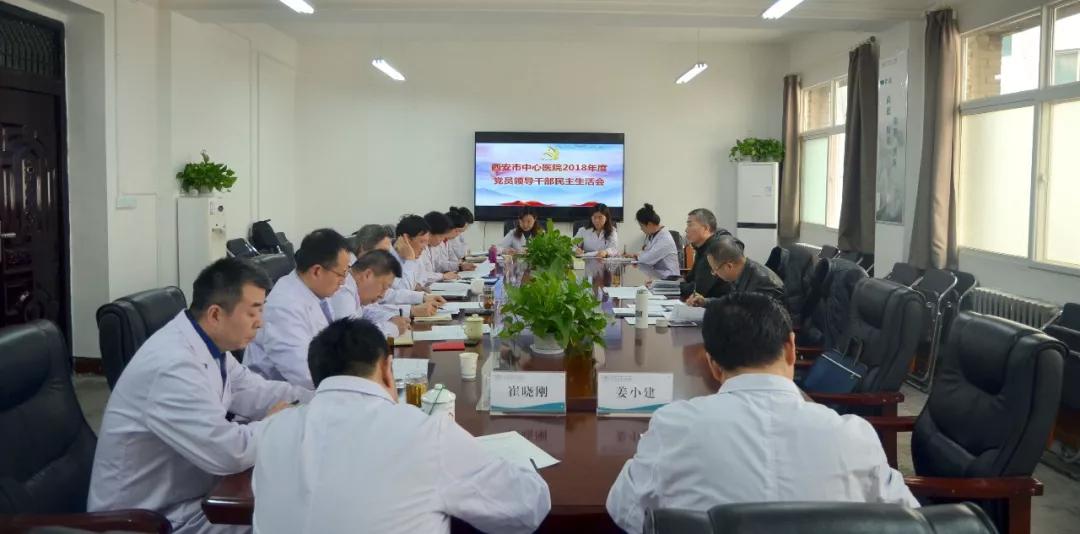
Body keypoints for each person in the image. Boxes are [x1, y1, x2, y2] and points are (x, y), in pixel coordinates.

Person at [606, 293, 918, 533]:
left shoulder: (674, 427)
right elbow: (910, 522)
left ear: (713, 364)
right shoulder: (854, 437)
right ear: (791, 348)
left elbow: (624, 509)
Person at [252, 318, 552, 533]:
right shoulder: (424, 433)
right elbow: (528, 506)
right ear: (387, 368)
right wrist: (519, 462)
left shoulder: (271, 432)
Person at [88, 258, 312, 534]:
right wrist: (276, 422)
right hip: (147, 520)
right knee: (292, 518)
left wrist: (320, 397)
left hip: (191, 493)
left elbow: (257, 390)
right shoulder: (172, 366)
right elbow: (229, 453)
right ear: (216, 314)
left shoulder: (209, 346)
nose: (260, 323)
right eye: (253, 312)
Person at [244, 228, 351, 389]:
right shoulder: (283, 307)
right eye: (341, 274)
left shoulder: (316, 292)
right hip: (277, 396)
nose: (343, 282)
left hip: (312, 387)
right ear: (317, 271)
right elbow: (305, 374)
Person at [352, 224, 444, 318]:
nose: (385, 257)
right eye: (382, 253)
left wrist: (422, 297)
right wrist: (410, 259)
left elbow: (388, 294)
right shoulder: (349, 273)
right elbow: (367, 310)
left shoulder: (375, 266)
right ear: (363, 248)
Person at [329, 250, 409, 337]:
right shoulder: (343, 292)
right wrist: (392, 328)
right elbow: (354, 338)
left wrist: (390, 318)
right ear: (368, 275)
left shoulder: (354, 289)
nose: (382, 295)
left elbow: (365, 312)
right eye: (384, 287)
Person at [686, 235, 784, 307]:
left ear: (729, 266)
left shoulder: (763, 284)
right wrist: (705, 302)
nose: (714, 274)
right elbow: (731, 301)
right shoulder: (742, 272)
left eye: (715, 269)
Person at [678, 208, 731, 300]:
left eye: (690, 225)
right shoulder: (701, 248)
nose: (686, 230)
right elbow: (689, 279)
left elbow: (698, 290)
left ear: (706, 228)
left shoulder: (714, 250)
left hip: (716, 305)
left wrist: (673, 287)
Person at [626, 203, 680, 279]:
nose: (641, 229)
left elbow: (648, 258)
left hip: (669, 278)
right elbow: (647, 251)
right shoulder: (655, 235)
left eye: (641, 226)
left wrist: (637, 257)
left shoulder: (664, 238)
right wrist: (635, 255)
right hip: (660, 276)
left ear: (649, 224)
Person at [418, 211, 460, 284]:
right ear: (429, 233)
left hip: (432, 285)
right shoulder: (418, 249)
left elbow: (439, 265)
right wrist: (442, 276)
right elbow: (420, 276)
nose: (442, 240)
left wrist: (459, 266)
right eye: (440, 236)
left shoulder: (433, 246)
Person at [393, 214, 432, 291]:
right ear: (406, 238)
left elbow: (422, 278)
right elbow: (403, 289)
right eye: (422, 241)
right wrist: (410, 260)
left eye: (426, 242)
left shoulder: (416, 255)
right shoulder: (388, 260)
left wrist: (418, 287)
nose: (424, 247)